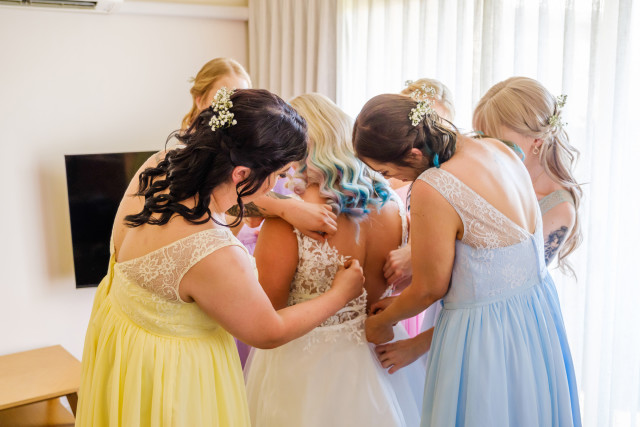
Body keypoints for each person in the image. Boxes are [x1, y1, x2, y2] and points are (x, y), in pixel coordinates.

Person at [76, 88, 365, 426]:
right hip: (171, 377)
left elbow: (227, 198)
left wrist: (286, 209)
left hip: (121, 344)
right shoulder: (213, 253)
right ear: (241, 174)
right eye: (279, 174)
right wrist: (339, 294)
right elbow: (269, 332)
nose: (278, 184)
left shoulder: (160, 164)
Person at [353, 93, 581, 426]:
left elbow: (430, 288)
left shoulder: (433, 184)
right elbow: (489, 260)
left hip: (485, 332)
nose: (393, 181)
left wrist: (381, 323)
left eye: (387, 170)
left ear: (413, 153)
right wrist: (400, 303)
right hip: (535, 316)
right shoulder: (499, 149)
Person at [244, 93, 425, 427]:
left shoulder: (290, 219)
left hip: (307, 368)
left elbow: (269, 311)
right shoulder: (394, 204)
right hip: (383, 355)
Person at [182, 57, 339, 245]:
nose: (235, 107)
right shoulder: (187, 156)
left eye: (242, 97)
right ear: (200, 100)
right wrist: (286, 208)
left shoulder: (269, 153)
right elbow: (218, 196)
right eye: (226, 99)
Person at [473, 76, 582, 270]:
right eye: (481, 138)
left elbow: (518, 274)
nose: (486, 149)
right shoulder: (490, 173)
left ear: (536, 140)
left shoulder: (559, 208)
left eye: (497, 141)